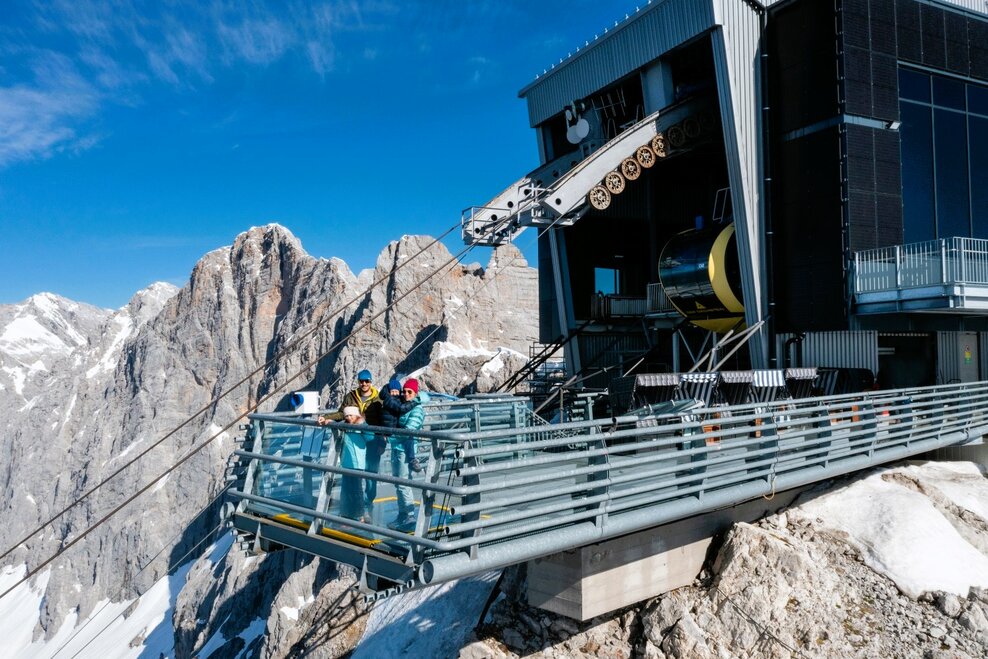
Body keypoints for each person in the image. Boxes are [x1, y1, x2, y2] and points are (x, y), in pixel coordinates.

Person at [322, 369, 384, 514]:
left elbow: (383, 421)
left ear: (371, 382)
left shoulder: (378, 398)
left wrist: (381, 442)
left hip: (372, 440)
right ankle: (354, 509)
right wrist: (326, 417)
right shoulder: (351, 396)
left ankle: (368, 503)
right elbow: (341, 412)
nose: (364, 384)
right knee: (353, 478)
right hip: (356, 440)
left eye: (367, 381)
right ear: (358, 382)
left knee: (370, 475)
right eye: (362, 381)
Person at [385, 378, 430, 530]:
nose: (405, 394)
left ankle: (409, 515)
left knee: (403, 483)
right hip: (398, 448)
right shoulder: (405, 405)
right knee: (399, 483)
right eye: (404, 391)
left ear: (415, 393)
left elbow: (410, 429)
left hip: (405, 450)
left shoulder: (416, 409)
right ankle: (402, 514)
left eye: (409, 392)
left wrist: (391, 435)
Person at [317, 406, 369, 523]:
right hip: (347, 463)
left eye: (351, 415)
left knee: (356, 490)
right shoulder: (345, 425)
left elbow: (369, 437)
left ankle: (359, 515)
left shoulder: (362, 426)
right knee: (346, 490)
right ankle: (346, 514)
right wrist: (329, 421)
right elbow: (336, 423)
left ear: (357, 415)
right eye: (347, 416)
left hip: (357, 463)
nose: (349, 418)